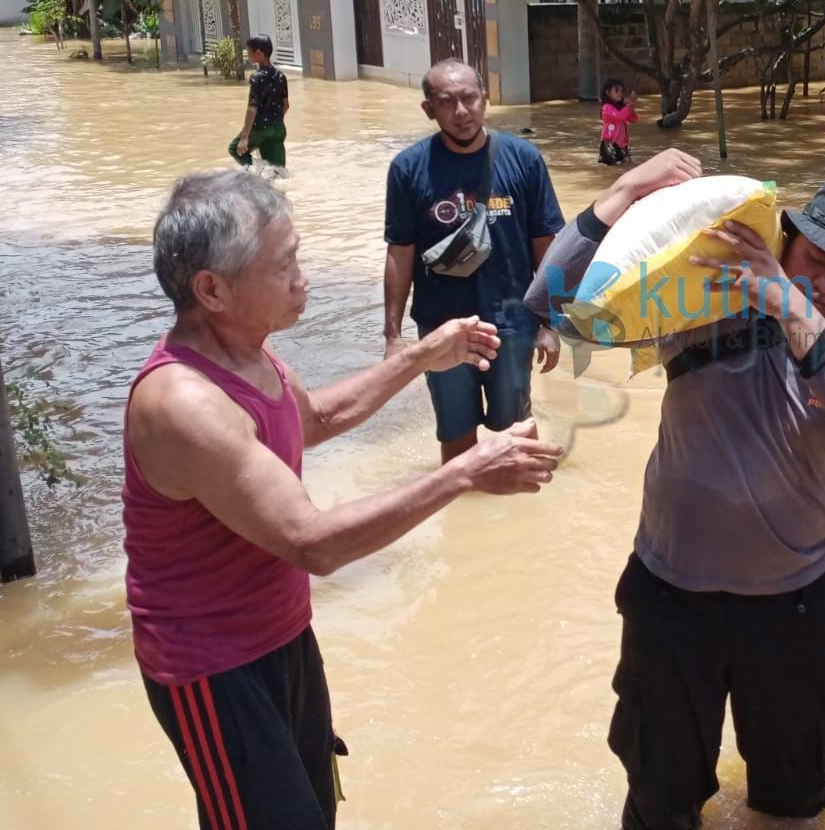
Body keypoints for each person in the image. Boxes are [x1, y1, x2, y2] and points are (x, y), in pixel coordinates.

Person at [126, 169, 562, 830]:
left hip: (280, 637)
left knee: (315, 811)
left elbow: (315, 421)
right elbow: (313, 542)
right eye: (285, 265)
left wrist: (420, 356)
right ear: (212, 289)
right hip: (212, 671)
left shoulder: (251, 354)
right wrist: (465, 471)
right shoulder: (184, 402)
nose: (303, 278)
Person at [527, 150, 825, 830]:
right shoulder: (703, 301)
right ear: (783, 240)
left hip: (792, 608)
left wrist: (792, 305)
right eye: (815, 263)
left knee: (794, 801)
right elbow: (554, 304)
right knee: (660, 795)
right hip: (671, 598)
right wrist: (626, 189)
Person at [384, 59, 566, 462]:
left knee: (516, 434)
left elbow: (547, 245)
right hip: (442, 328)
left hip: (513, 322)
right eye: (447, 102)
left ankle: (522, 519)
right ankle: (464, 514)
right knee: (456, 439)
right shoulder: (408, 169)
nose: (461, 111)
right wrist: (393, 336)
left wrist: (550, 323)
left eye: (469, 98)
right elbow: (400, 253)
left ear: (485, 98)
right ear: (429, 110)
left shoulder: (524, 159)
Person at [228, 35, 289, 177]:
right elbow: (286, 105)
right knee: (279, 172)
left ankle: (258, 173)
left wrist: (244, 137)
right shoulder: (281, 76)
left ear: (259, 53)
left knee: (235, 149)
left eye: (249, 51)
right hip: (278, 128)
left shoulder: (257, 77)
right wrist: (275, 123)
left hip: (261, 128)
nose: (247, 55)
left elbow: (252, 108)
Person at [600, 77, 639, 165]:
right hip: (610, 144)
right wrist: (630, 104)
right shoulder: (606, 107)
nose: (620, 94)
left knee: (626, 166)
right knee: (612, 169)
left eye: (621, 91)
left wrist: (632, 108)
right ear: (607, 92)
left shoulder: (622, 107)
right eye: (617, 91)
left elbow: (634, 119)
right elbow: (620, 116)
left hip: (623, 144)